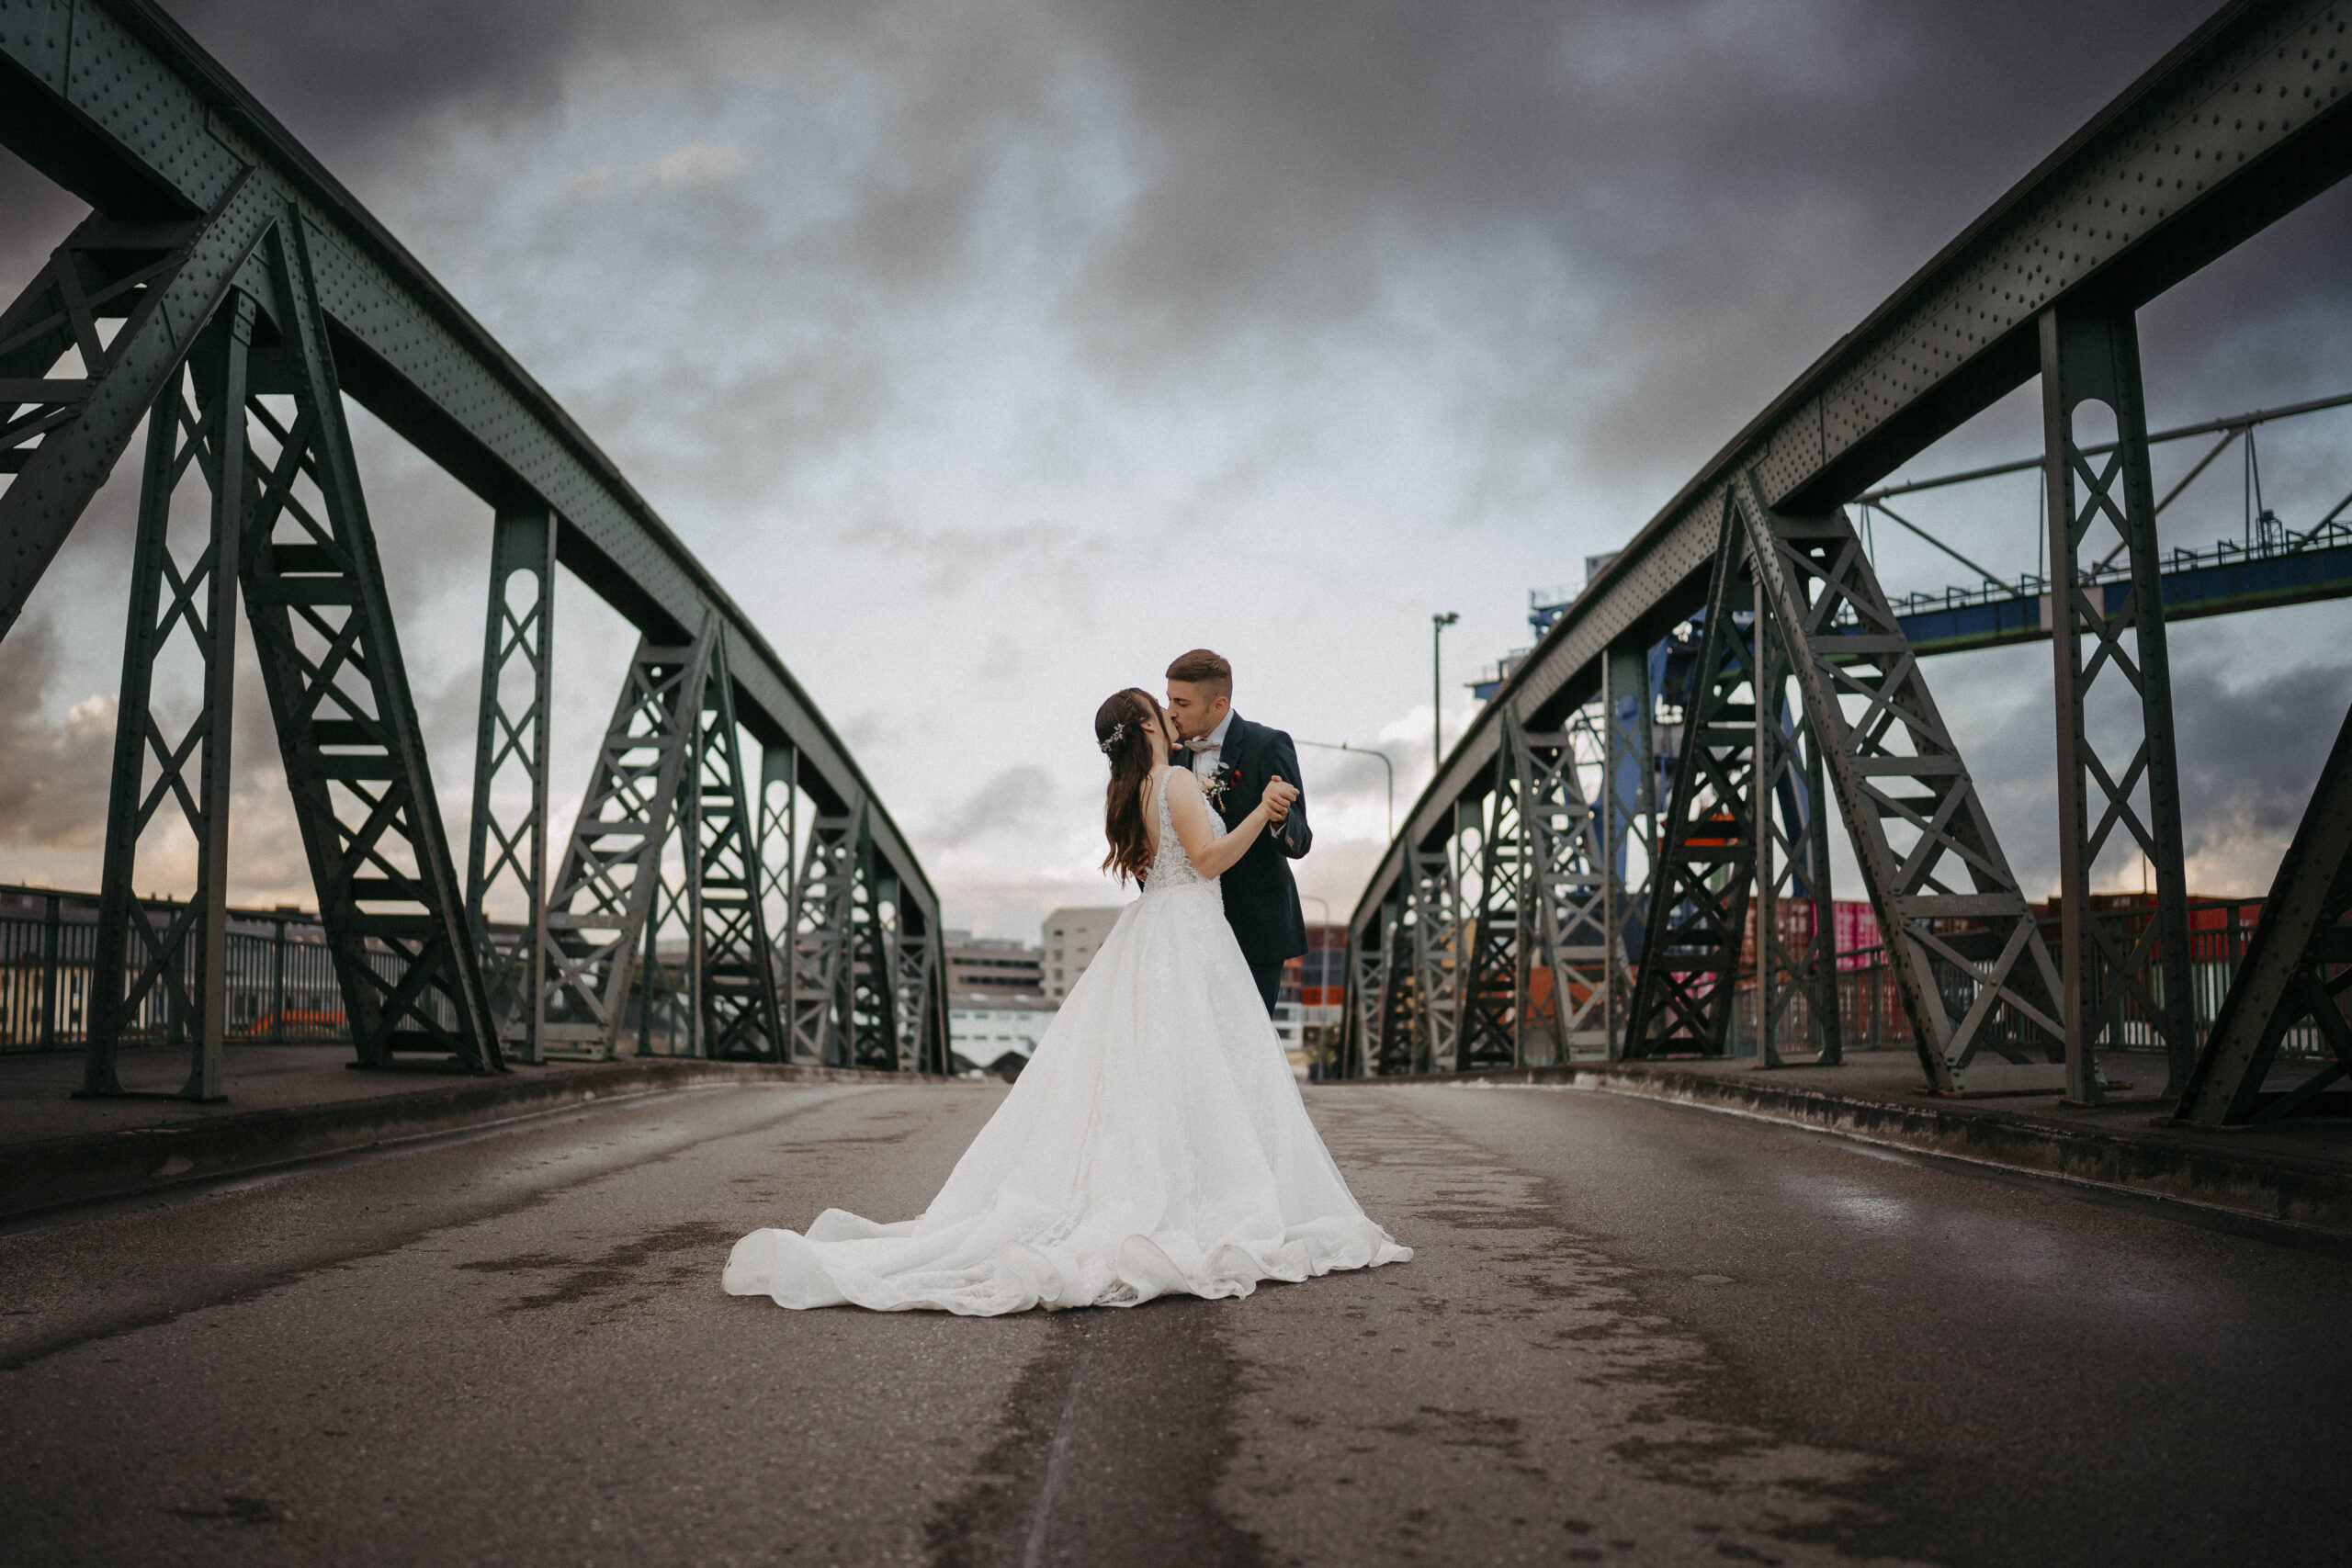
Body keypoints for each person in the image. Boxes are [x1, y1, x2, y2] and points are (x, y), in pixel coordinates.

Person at [721, 686, 1409, 1314]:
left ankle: (1174, 1189)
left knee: (1158, 1077)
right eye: (1161, 707)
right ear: (1148, 725)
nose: (1172, 714)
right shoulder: (1173, 781)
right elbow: (1207, 861)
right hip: (1190, 934)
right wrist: (1262, 809)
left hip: (1154, 933)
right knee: (1204, 1072)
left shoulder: (1131, 790)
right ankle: (1204, 1197)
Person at [1161, 649, 1310, 1016]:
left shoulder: (1267, 745)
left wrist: (1277, 815)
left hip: (1256, 929)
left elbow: (1301, 839)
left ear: (1219, 704)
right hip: (1189, 930)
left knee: (1247, 1039)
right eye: (1169, 700)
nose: (1171, 712)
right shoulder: (1169, 754)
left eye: (1181, 702)